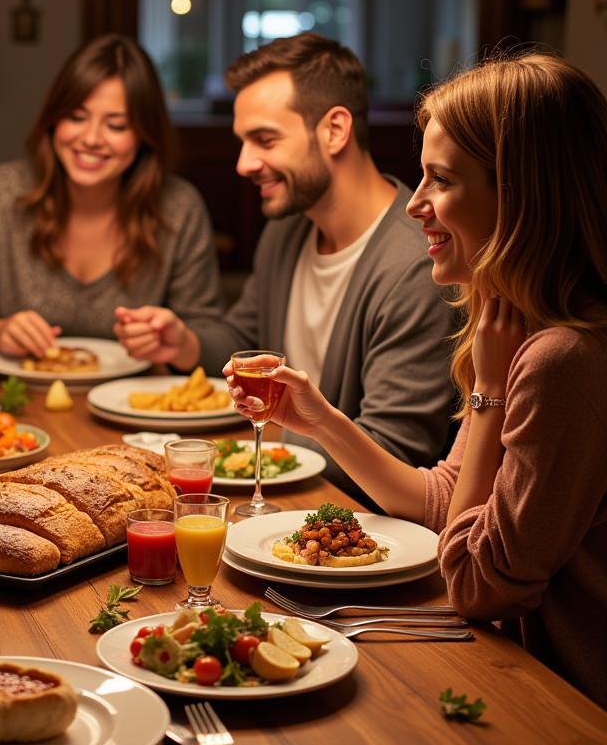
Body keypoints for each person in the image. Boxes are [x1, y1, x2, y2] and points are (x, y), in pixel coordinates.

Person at [228, 53, 607, 708]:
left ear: (517, 195)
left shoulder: (562, 359)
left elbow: (476, 583)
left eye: (442, 180)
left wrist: (487, 399)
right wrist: (320, 419)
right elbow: (442, 503)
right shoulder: (513, 325)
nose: (418, 205)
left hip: (564, 706)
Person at [115, 33, 457, 496]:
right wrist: (184, 343)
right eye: (243, 141)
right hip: (277, 488)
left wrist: (264, 440)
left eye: (265, 139)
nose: (243, 163)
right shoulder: (287, 229)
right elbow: (245, 341)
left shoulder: (416, 264)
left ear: (335, 130)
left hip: (344, 519)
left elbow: (394, 453)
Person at [0, 34, 222, 356]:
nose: (91, 139)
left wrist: (178, 340)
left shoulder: (178, 207)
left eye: (116, 126)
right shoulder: (1, 193)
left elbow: (209, 335)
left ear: (145, 136)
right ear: (53, 119)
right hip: (15, 398)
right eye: (76, 117)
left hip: (137, 401)